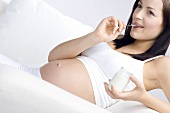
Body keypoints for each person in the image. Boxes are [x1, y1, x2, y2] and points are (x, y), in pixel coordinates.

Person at [0, 0, 170, 112]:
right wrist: (95, 37)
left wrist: (143, 97)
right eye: (139, 6)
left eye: (150, 13)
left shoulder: (159, 65)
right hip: (29, 75)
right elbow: (53, 56)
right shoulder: (114, 38)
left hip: (47, 98)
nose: (138, 15)